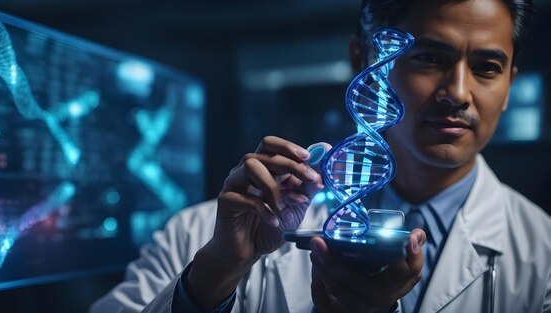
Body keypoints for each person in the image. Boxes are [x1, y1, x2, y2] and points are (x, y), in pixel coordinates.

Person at [91, 0, 551, 312]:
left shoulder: (543, 256)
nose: (458, 92)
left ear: (511, 81)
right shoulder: (202, 236)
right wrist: (213, 277)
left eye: (487, 68)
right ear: (362, 59)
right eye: (429, 58)